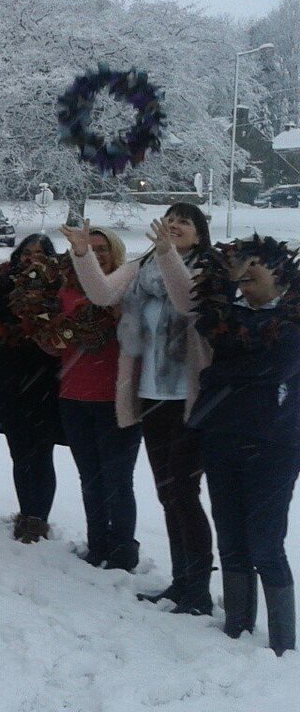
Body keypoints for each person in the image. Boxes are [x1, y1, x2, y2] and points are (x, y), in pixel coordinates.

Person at [62, 204, 215, 614]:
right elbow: (102, 293)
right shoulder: (143, 267)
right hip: (150, 396)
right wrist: (83, 254)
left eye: (186, 222)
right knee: (168, 494)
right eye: (172, 219)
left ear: (200, 235)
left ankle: (198, 589)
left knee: (185, 492)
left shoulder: (208, 269)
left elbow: (188, 303)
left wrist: (167, 253)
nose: (177, 226)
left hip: (190, 399)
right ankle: (181, 582)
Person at [188, 236, 300, 656]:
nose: (247, 270)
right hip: (222, 437)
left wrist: (220, 375)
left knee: (265, 543)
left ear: (281, 271)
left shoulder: (294, 316)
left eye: (257, 264)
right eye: (241, 264)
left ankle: (283, 644)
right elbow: (210, 326)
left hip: (275, 444)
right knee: (231, 537)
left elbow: (276, 366)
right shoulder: (228, 314)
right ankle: (238, 626)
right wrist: (226, 284)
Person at [54, 225, 143, 566]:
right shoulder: (66, 292)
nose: (95, 253)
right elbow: (54, 342)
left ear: (115, 251)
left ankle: (123, 551)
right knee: (90, 477)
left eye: (102, 248)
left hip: (116, 401)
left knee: (118, 479)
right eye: (89, 248)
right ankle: (97, 545)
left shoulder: (127, 290)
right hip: (74, 398)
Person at [0, 234, 63, 545]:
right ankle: (26, 511)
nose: (32, 258)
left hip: (42, 374)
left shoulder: (56, 287)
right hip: (8, 372)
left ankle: (38, 517)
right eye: (27, 252)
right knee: (18, 449)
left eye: (40, 253)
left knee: (40, 449)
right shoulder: (4, 283)